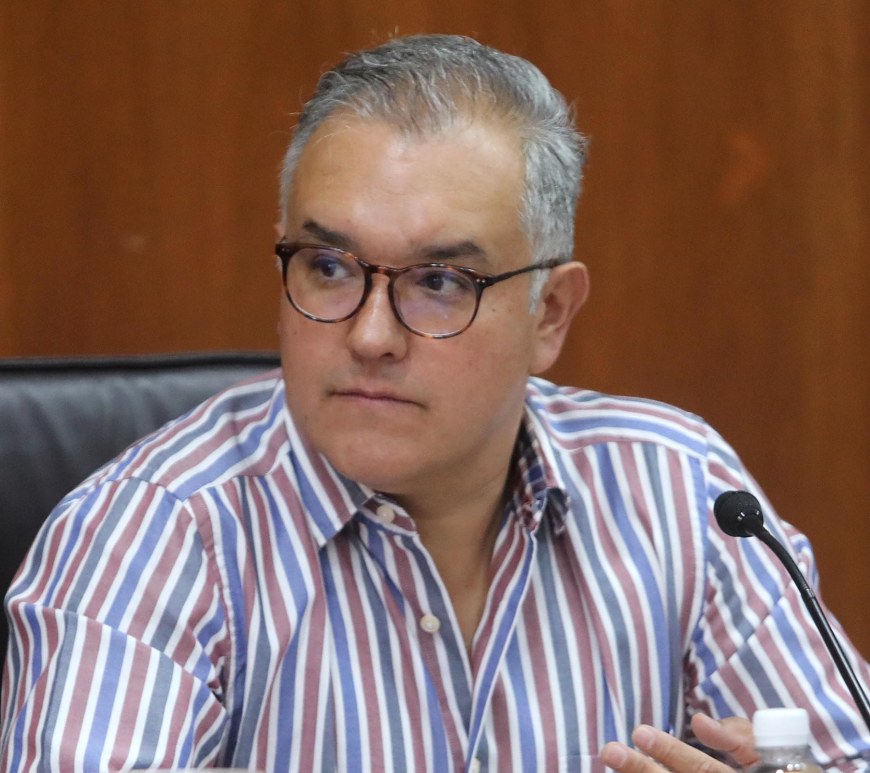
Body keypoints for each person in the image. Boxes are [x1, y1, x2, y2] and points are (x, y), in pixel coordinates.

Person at [1, 34, 867, 773]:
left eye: (441, 281)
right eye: (328, 267)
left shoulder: (680, 493)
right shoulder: (147, 542)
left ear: (550, 314)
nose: (371, 333)